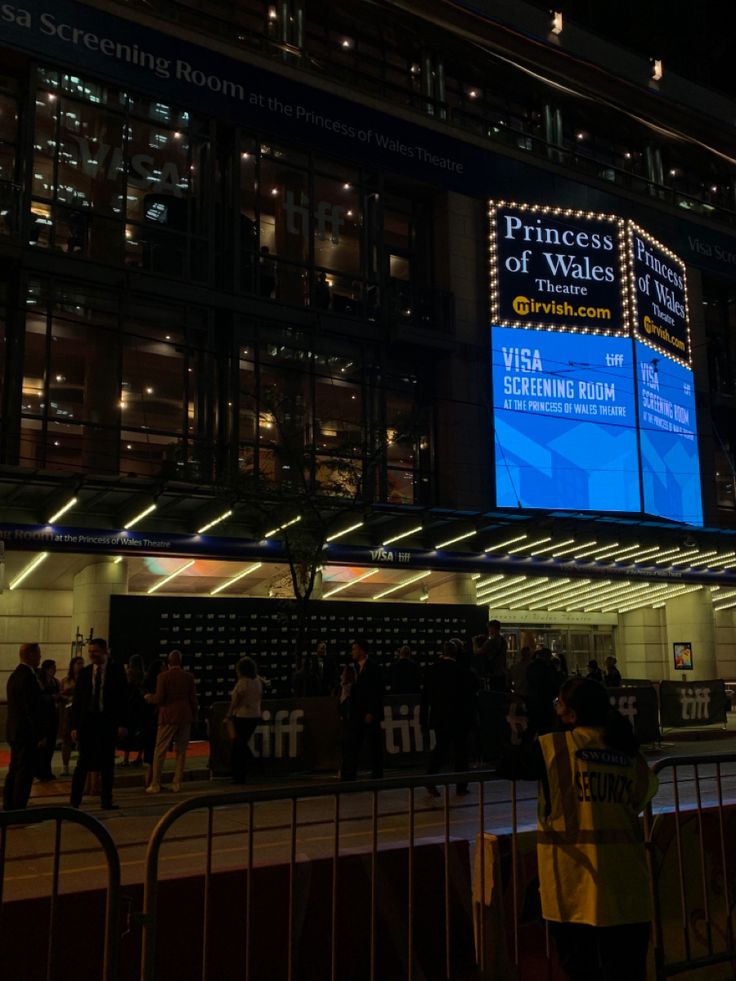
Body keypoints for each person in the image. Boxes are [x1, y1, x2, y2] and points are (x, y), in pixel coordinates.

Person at [500, 677, 658, 981]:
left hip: (572, 887)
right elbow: (641, 795)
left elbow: (507, 764)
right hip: (627, 888)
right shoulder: (629, 754)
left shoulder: (553, 747)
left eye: (559, 704)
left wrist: (521, 730)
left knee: (581, 970)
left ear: (571, 714)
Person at [69, 638, 128, 810]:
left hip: (107, 722)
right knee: (83, 763)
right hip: (88, 721)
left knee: (107, 763)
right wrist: (74, 726)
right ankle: (74, 801)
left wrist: (122, 723)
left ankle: (106, 800)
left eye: (95, 651)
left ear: (105, 651)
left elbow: (122, 699)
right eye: (90, 652)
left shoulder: (116, 671)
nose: (92, 655)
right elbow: (78, 701)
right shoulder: (86, 673)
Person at [421, 641, 477, 796]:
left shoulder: (432, 671)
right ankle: (461, 786)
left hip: (440, 717)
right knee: (461, 754)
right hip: (459, 718)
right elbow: (470, 698)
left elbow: (425, 698)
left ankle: (430, 779)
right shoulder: (464, 672)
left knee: (440, 750)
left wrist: (423, 720)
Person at [145, 650, 198, 794]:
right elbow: (193, 699)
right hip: (185, 715)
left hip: (168, 716)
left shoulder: (163, 677)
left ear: (168, 662)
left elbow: (160, 698)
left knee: (160, 750)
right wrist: (195, 715)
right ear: (180, 661)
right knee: (181, 751)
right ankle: (177, 783)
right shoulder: (188, 677)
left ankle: (155, 783)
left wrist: (148, 697)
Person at [3, 643, 45, 810]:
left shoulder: (14, 675)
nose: (40, 657)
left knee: (14, 770)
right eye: (38, 654)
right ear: (31, 654)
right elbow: (31, 708)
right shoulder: (28, 677)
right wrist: (40, 734)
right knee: (24, 772)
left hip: (15, 731)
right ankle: (19, 806)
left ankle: (9, 804)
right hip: (26, 732)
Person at [340, 639, 384, 781]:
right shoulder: (352, 668)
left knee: (374, 745)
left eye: (354, 649)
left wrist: (372, 712)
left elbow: (377, 691)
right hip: (355, 713)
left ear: (362, 651)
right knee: (352, 745)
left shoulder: (374, 668)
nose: (352, 652)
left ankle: (377, 774)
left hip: (369, 713)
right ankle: (349, 774)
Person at [226, 657, 263, 784]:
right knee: (241, 744)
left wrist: (229, 713)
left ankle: (239, 773)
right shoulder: (257, 681)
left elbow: (238, 699)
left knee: (238, 745)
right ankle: (242, 773)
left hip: (242, 716)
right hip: (255, 715)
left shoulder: (243, 683)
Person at [141, 658, 166, 788]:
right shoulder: (158, 683)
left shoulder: (146, 683)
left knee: (152, 751)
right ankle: (152, 780)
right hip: (154, 720)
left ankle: (150, 779)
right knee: (155, 750)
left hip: (149, 719)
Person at [36, 659, 61, 781]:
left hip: (54, 715)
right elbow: (39, 699)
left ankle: (47, 770)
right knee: (43, 746)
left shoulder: (55, 682)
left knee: (51, 745)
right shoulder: (41, 682)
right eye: (52, 668)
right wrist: (52, 698)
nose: (54, 670)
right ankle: (41, 771)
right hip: (44, 716)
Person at [60, 655, 85, 775]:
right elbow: (60, 695)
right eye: (78, 663)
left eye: (82, 663)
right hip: (68, 712)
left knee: (82, 739)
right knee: (66, 740)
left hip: (81, 712)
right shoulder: (66, 680)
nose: (81, 666)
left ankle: (82, 764)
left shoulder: (86, 679)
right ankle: (65, 766)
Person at [121, 654, 146, 766]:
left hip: (130, 706)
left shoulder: (130, 673)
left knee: (128, 732)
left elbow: (126, 686)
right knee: (140, 732)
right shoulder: (144, 675)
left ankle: (126, 759)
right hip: (141, 706)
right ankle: (139, 756)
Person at [479, 620, 508, 691]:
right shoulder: (503, 641)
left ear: (492, 628)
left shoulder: (491, 641)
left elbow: (479, 652)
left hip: (493, 673)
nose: (488, 630)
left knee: (493, 694)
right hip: (502, 673)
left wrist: (474, 641)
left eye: (489, 628)